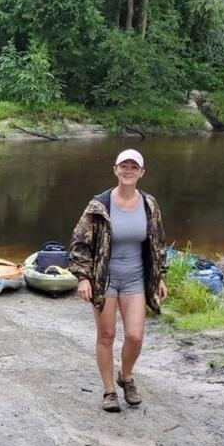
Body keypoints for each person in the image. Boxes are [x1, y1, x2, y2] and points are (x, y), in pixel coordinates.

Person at [69, 149, 167, 412]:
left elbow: (158, 243)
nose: (128, 171)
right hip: (105, 280)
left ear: (141, 173)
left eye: (133, 167)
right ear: (115, 170)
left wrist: (160, 277)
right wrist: (83, 278)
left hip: (135, 279)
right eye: (123, 166)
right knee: (107, 335)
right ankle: (109, 391)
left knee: (135, 336)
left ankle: (126, 377)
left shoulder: (149, 204)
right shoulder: (99, 205)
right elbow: (80, 243)